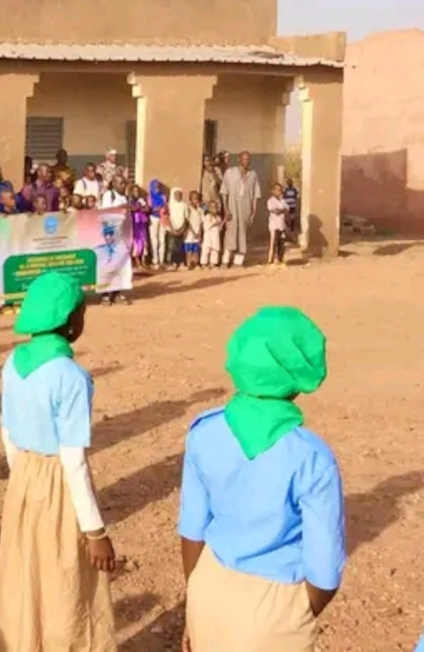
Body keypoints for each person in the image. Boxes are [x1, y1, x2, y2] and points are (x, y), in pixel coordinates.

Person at [179, 307, 344, 650]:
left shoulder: (203, 432)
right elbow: (325, 571)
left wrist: (195, 600)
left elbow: (192, 530)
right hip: (276, 605)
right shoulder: (312, 457)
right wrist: (296, 613)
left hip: (209, 585)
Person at [0, 272, 116, 651]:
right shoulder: (71, 377)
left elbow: (7, 431)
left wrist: (23, 477)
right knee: (67, 585)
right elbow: (74, 459)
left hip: (25, 476)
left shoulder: (14, 362)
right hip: (59, 482)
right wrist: (95, 531)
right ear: (70, 321)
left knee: (28, 575)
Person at [221, 151, 262, 267]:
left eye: (248, 159)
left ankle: (238, 262)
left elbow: (255, 195)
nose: (246, 162)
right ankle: (225, 260)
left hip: (246, 209)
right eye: (244, 159)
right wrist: (226, 209)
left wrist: (253, 212)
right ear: (239, 159)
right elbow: (224, 192)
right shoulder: (230, 173)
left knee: (243, 235)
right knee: (230, 234)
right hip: (232, 208)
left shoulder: (253, 175)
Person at [266, 183, 290, 268]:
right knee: (274, 243)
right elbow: (275, 211)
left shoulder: (282, 201)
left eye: (280, 190)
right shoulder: (270, 201)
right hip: (274, 226)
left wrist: (282, 210)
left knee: (281, 244)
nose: (280, 192)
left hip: (281, 225)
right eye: (277, 190)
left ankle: (280, 259)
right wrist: (282, 210)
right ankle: (271, 260)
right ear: (273, 191)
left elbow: (287, 210)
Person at [168, 187, 189, 270]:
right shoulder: (170, 205)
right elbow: (168, 217)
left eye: (180, 195)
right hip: (172, 229)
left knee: (181, 247)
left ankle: (181, 263)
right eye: (176, 195)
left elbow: (186, 218)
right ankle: (173, 263)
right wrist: (172, 228)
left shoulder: (184, 205)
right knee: (173, 247)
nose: (178, 196)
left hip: (181, 228)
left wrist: (182, 229)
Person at [202, 200, 224, 268]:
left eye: (215, 207)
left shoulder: (218, 217)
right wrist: (214, 223)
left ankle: (213, 263)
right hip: (208, 236)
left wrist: (220, 224)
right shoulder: (207, 217)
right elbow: (206, 227)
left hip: (215, 236)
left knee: (215, 250)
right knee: (206, 250)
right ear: (208, 209)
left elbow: (220, 227)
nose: (214, 209)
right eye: (212, 207)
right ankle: (204, 263)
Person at [283, 176, 300, 244]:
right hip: (287, 207)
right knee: (287, 221)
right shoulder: (286, 190)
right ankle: (288, 235)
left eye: (290, 182)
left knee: (292, 221)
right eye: (288, 182)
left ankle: (292, 236)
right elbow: (284, 197)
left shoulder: (294, 190)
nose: (289, 183)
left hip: (292, 207)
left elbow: (296, 197)